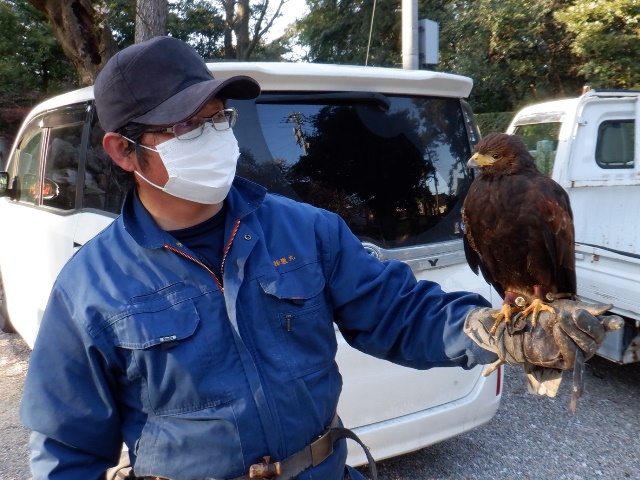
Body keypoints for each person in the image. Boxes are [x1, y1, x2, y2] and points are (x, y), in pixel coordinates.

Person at [20, 36, 613, 480]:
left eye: (216, 120)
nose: (214, 138)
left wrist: (489, 332)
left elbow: (399, 312)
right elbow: (66, 450)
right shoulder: (89, 286)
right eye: (185, 127)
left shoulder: (306, 230)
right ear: (123, 152)